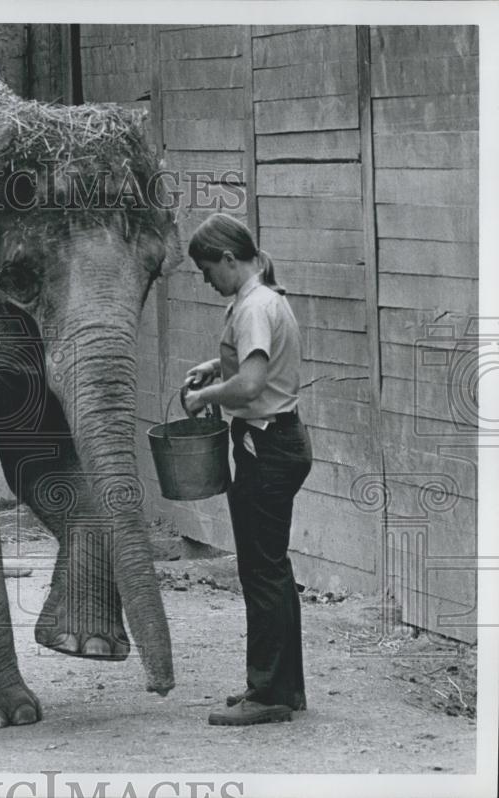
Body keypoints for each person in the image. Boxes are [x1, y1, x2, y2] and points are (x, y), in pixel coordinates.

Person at [181, 212, 312, 726]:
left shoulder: (254, 306)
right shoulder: (264, 299)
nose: (206, 280)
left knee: (261, 573)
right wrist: (218, 365)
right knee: (272, 569)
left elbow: (253, 386)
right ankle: (285, 688)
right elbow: (259, 362)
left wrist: (204, 396)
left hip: (265, 444)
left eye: (207, 270)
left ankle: (268, 695)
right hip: (281, 439)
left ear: (229, 260)